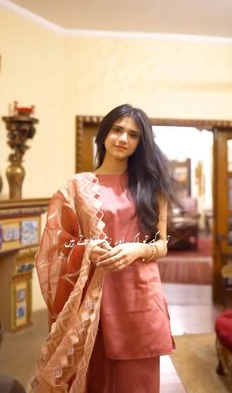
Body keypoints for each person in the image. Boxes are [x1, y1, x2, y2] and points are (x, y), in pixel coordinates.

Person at [31, 104, 175, 393]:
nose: (123, 139)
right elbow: (57, 244)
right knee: (96, 375)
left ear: (140, 142)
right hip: (95, 299)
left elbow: (162, 245)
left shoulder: (152, 187)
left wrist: (136, 249)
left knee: (138, 379)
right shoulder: (77, 186)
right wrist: (87, 248)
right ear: (104, 134)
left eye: (133, 135)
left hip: (139, 293)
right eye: (117, 130)